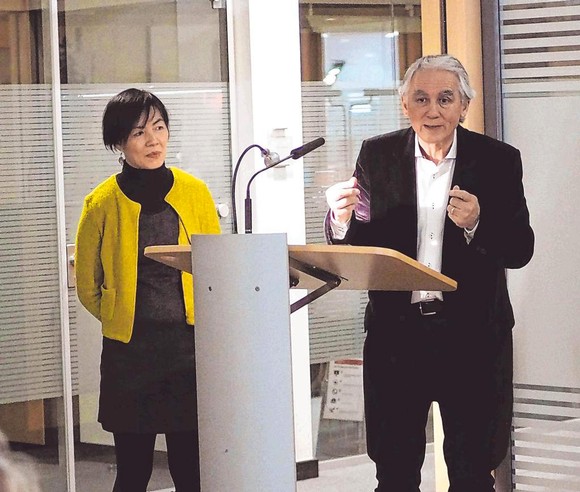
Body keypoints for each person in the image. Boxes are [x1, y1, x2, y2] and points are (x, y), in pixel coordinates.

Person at [325, 54, 534, 491]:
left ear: (464, 107)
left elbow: (520, 249)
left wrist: (479, 223)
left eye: (445, 99)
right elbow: (355, 242)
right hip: (396, 341)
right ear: (405, 106)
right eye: (421, 98)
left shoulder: (498, 160)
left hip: (474, 341)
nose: (432, 110)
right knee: (395, 475)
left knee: (473, 473)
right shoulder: (377, 155)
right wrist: (340, 220)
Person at [75, 88, 221, 492]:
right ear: (119, 142)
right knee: (133, 472)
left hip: (187, 350)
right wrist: (119, 314)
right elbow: (88, 284)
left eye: (159, 127)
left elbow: (215, 267)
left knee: (191, 472)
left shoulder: (194, 193)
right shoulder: (100, 202)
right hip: (130, 354)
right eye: (139, 132)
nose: (153, 140)